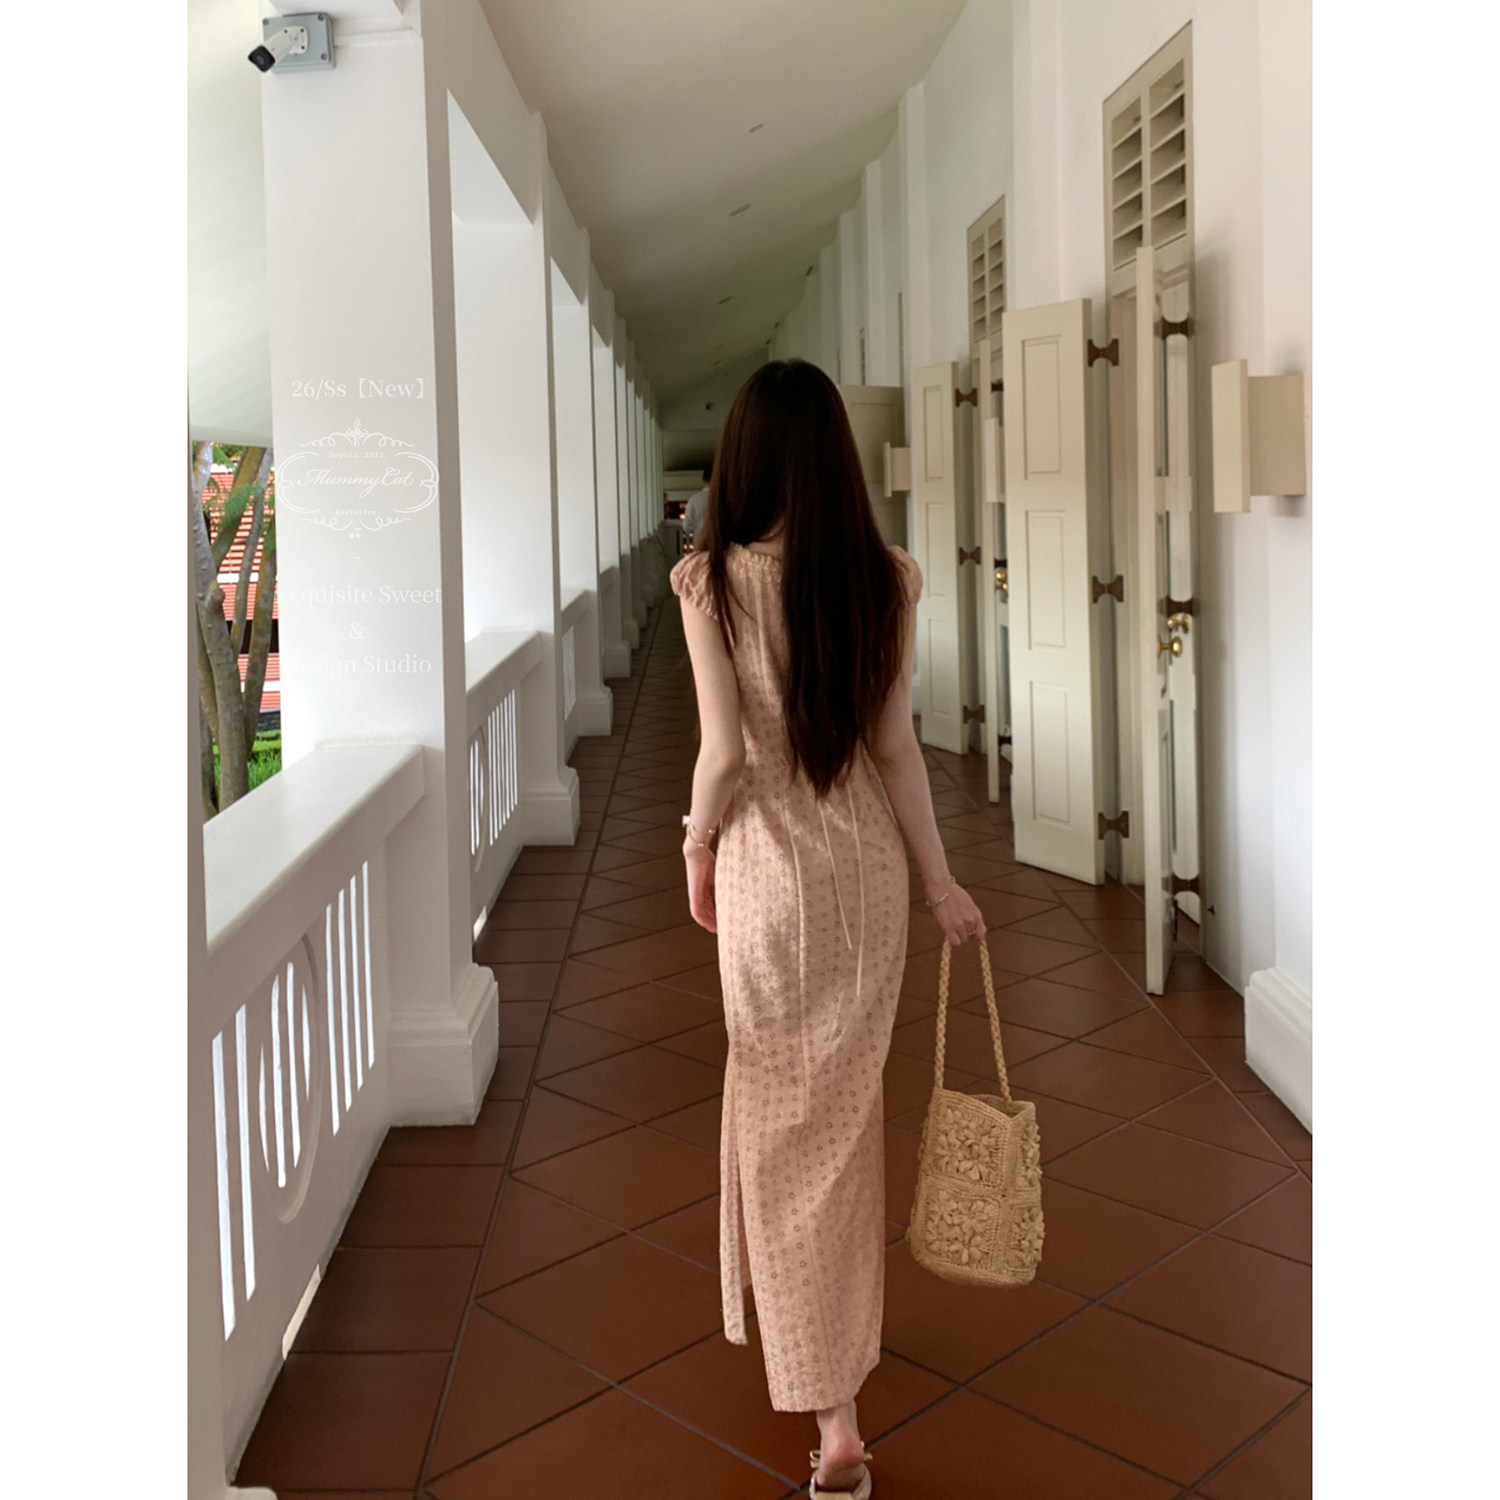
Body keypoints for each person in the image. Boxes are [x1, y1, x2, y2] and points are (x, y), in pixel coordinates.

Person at [669, 359, 986, 1500]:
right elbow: (896, 750)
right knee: (844, 1137)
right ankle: (839, 1388)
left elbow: (725, 756)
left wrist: (696, 845)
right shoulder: (886, 579)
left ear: (745, 460)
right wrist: (940, 883)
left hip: (766, 881)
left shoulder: (709, 582)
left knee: (775, 1128)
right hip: (865, 883)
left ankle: (829, 1402)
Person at [682, 461, 711, 548]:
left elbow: (686, 526)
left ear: (703, 481)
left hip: (700, 544)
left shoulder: (694, 500)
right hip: (721, 547)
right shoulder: (723, 499)